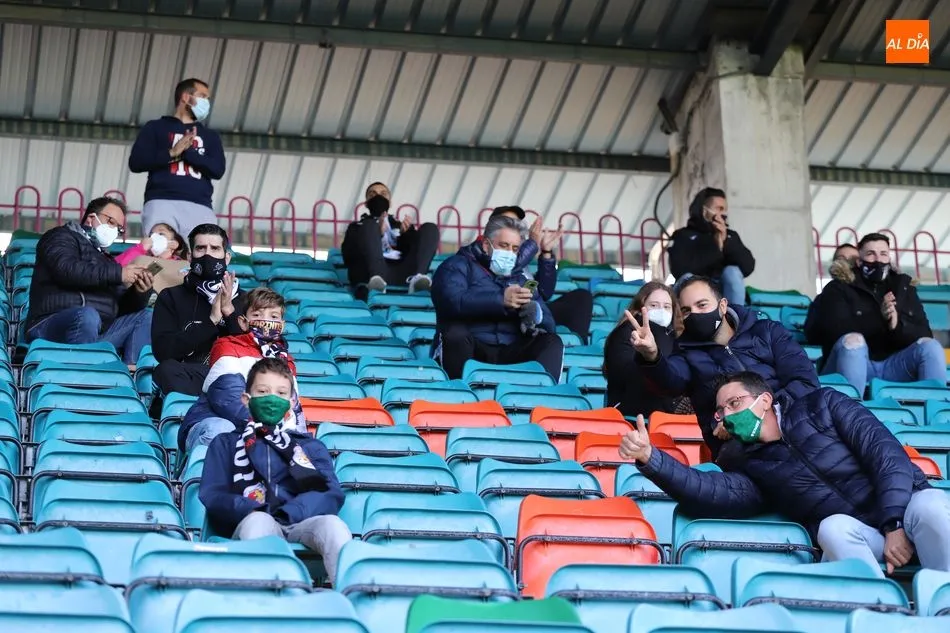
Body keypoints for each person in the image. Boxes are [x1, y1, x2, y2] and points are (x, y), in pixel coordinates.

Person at [620, 371, 950, 578]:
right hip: (863, 536)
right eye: (721, 411)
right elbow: (710, 492)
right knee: (832, 528)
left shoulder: (824, 404)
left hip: (905, 514)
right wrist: (652, 459)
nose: (727, 415)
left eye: (734, 403)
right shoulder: (747, 462)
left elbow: (886, 456)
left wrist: (894, 524)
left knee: (931, 504)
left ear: (765, 400)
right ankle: (881, 612)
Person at [199, 357, 351, 584]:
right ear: (246, 399)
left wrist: (291, 512)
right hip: (249, 520)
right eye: (263, 391)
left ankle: (350, 597)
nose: (272, 398)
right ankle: (263, 600)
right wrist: (255, 509)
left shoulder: (310, 446)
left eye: (281, 393)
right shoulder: (225, 443)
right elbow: (214, 494)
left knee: (334, 526)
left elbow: (329, 492)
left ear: (290, 403)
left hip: (300, 520)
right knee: (259, 523)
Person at [631, 276, 818, 458]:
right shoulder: (685, 352)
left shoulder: (767, 331)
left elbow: (805, 381)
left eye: (702, 305)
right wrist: (652, 356)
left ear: (722, 306)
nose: (695, 314)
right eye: (687, 310)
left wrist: (762, 413)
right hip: (739, 448)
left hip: (795, 429)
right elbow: (670, 381)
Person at [804, 232, 944, 394]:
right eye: (870, 254)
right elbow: (835, 331)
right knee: (853, 342)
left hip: (894, 366)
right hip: (853, 362)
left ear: (889, 258)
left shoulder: (904, 289)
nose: (878, 259)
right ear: (859, 260)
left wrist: (895, 325)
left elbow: (924, 332)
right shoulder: (838, 288)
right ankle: (850, 407)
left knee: (931, 347)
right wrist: (880, 319)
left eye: (883, 254)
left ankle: (938, 407)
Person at [431, 214, 563, 381]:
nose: (509, 253)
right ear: (486, 245)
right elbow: (452, 302)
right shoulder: (456, 265)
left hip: (510, 350)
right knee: (455, 333)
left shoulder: (521, 277)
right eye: (504, 245)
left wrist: (535, 314)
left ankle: (539, 394)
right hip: (472, 347)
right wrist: (501, 300)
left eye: (515, 249)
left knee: (551, 341)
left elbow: (550, 324)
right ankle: (458, 391)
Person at [25, 197, 154, 367]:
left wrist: (140, 292)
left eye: (118, 228)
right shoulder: (60, 236)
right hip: (50, 324)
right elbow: (66, 269)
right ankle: (83, 373)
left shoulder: (107, 261)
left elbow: (120, 307)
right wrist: (119, 273)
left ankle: (130, 374)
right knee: (87, 315)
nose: (114, 230)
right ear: (91, 218)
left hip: (95, 330)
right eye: (110, 222)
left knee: (145, 316)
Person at [179, 287, 305, 454]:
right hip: (212, 422)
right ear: (243, 322)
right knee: (223, 430)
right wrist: (266, 429)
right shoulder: (227, 346)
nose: (266, 321)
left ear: (282, 325)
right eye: (257, 315)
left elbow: (291, 407)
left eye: (273, 317)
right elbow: (228, 397)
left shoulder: (286, 361)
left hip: (263, 430)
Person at [151, 224, 247, 400]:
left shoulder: (246, 300)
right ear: (189, 256)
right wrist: (211, 322)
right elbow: (163, 352)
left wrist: (229, 313)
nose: (207, 255)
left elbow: (253, 351)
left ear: (226, 258)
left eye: (215, 248)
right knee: (165, 370)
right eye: (200, 248)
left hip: (234, 379)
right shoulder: (170, 297)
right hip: (191, 377)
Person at [128, 78, 226, 238]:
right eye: (202, 96)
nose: (206, 102)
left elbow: (218, 170)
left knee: (201, 252)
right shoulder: (155, 127)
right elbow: (136, 163)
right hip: (161, 200)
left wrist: (188, 153)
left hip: (200, 204)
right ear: (186, 97)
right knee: (160, 250)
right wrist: (171, 153)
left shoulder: (210, 136)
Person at [490, 206, 593, 340]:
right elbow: (507, 269)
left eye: (517, 224)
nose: (514, 228)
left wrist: (546, 252)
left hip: (535, 310)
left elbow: (544, 292)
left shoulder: (522, 257)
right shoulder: (490, 253)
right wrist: (532, 243)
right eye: (508, 223)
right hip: (511, 313)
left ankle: (575, 345)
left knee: (581, 297)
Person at [604, 282, 691, 417]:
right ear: (640, 309)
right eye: (654, 305)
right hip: (630, 417)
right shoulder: (624, 333)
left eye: (667, 307)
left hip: (669, 418)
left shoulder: (676, 338)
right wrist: (649, 354)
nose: (661, 311)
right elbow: (625, 375)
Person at [341, 181, 440, 297]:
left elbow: (415, 251)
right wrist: (376, 234)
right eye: (373, 194)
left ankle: (417, 279)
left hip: (404, 273)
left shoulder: (401, 225)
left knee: (430, 228)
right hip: (370, 274)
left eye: (383, 194)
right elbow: (348, 257)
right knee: (370, 225)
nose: (378, 197)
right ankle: (377, 281)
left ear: (390, 202)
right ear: (366, 203)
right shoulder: (357, 227)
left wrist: (405, 235)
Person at [667, 188, 755, 306]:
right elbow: (680, 269)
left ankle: (733, 314)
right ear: (704, 210)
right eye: (719, 208)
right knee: (688, 278)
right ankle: (692, 314)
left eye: (725, 209)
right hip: (695, 291)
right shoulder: (683, 236)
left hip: (722, 292)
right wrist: (716, 248)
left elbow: (748, 266)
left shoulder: (730, 235)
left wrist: (725, 242)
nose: (723, 213)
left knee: (732, 272)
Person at [116, 222, 190, 299]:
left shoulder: (182, 265)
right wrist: (140, 248)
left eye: (161, 234)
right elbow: (119, 268)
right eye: (151, 235)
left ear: (174, 244)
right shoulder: (143, 258)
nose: (153, 237)